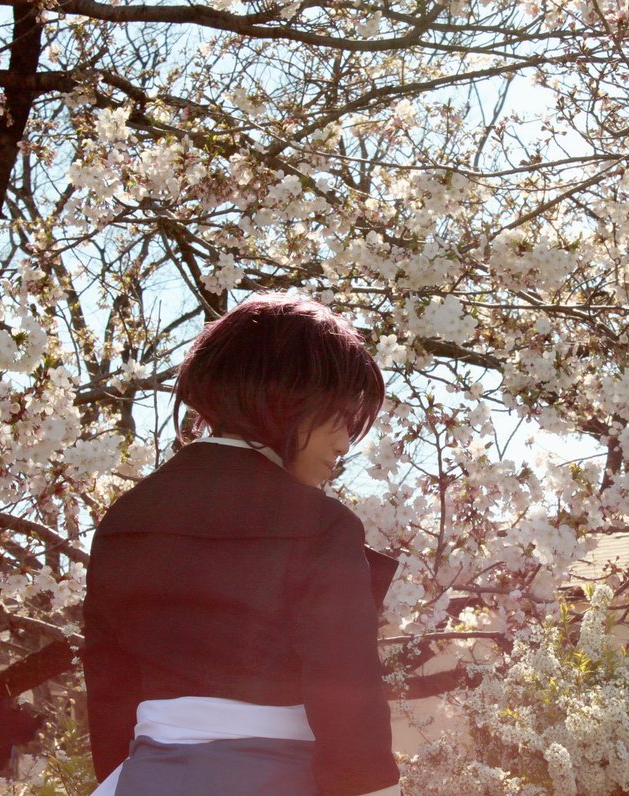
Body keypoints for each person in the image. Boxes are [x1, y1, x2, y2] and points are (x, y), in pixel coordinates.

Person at [82, 293, 401, 796]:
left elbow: (109, 689)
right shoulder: (320, 525)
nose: (344, 443)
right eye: (339, 416)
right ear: (289, 397)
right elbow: (347, 701)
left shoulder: (123, 521)